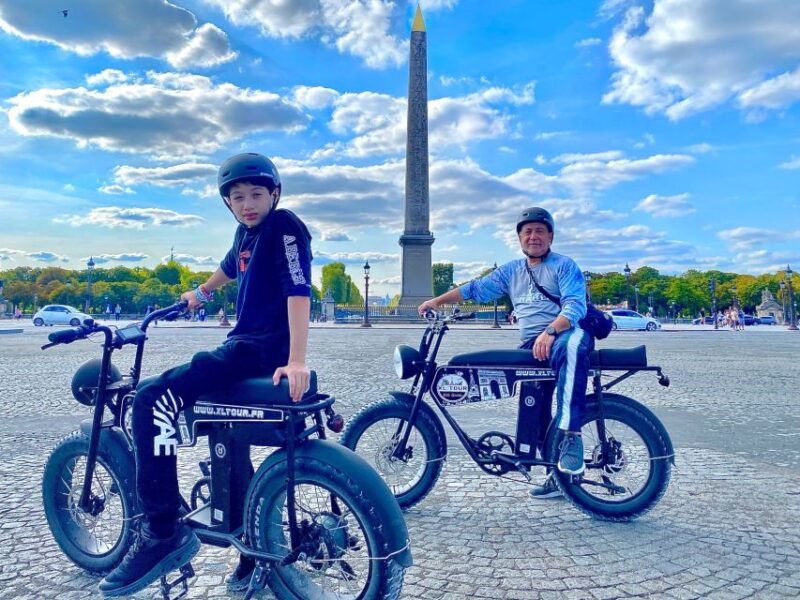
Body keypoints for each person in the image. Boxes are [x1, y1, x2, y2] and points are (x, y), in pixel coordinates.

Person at [99, 153, 313, 597]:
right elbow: (230, 266)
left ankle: (162, 532)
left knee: (151, 397)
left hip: (254, 350)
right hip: (244, 348)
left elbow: (298, 288)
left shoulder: (284, 226)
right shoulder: (246, 234)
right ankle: (252, 545)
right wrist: (200, 292)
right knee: (224, 434)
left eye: (256, 194)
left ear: (275, 194)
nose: (248, 203)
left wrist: (296, 359)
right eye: (238, 197)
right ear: (228, 204)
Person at [417, 207, 591, 501]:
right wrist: (436, 301)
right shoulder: (512, 271)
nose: (533, 236)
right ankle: (557, 475)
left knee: (571, 347)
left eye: (539, 231)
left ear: (550, 236)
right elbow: (476, 289)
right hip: (531, 345)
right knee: (533, 409)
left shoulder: (564, 265)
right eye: (527, 231)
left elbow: (575, 307)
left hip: (564, 334)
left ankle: (572, 437)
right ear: (520, 238)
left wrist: (550, 332)